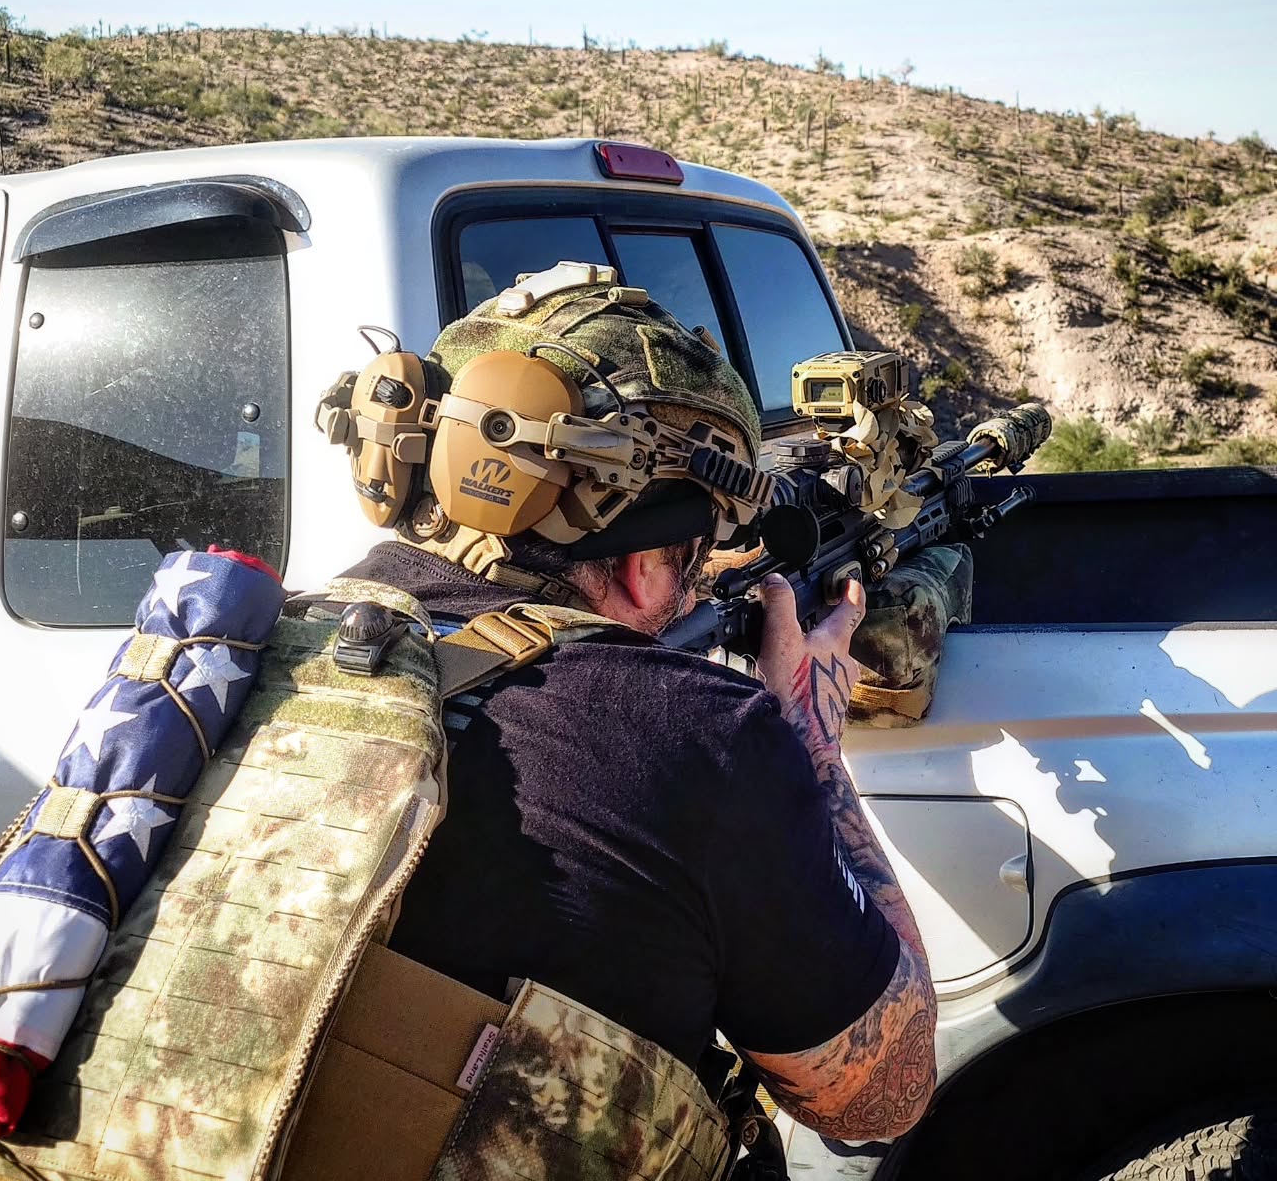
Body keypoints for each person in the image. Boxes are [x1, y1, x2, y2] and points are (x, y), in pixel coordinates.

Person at [323, 261, 939, 1147]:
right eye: (701, 554)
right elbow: (883, 1097)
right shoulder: (698, 740)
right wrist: (807, 737)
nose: (697, 584)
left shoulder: (235, 653)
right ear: (644, 563)